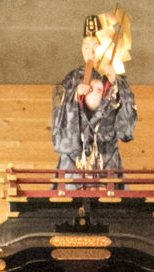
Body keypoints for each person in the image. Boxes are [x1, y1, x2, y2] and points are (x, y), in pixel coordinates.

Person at [51, 14, 136, 174]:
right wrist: (74, 95)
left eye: (95, 47)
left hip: (107, 156)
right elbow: (57, 110)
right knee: (70, 196)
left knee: (110, 197)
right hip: (73, 158)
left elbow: (127, 127)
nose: (90, 53)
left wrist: (115, 85)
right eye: (86, 47)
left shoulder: (115, 78)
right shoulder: (69, 80)